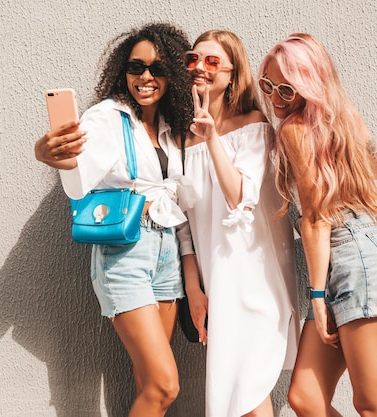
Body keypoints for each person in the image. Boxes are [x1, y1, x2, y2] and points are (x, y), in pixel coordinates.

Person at [34, 23, 194, 417]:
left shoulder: (173, 129)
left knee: (147, 383)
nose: (145, 77)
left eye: (157, 69)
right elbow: (77, 178)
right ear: (122, 71)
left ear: (171, 75)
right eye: (136, 67)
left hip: (167, 254)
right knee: (164, 385)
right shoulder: (107, 117)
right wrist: (48, 152)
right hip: (125, 255)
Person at [257, 33, 377, 417]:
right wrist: (343, 121)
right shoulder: (341, 118)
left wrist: (316, 296)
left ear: (308, 87)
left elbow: (315, 217)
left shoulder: (294, 130)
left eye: (287, 90)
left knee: (374, 405)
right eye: (269, 86)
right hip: (353, 260)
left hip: (355, 258)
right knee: (306, 397)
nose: (276, 99)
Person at [180, 30, 299, 417]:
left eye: (213, 61)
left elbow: (238, 197)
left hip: (252, 280)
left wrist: (212, 138)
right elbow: (181, 221)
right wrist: (193, 286)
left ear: (233, 74)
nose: (200, 67)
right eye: (193, 59)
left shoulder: (253, 126)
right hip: (216, 284)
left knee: (247, 394)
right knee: (238, 398)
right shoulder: (178, 139)